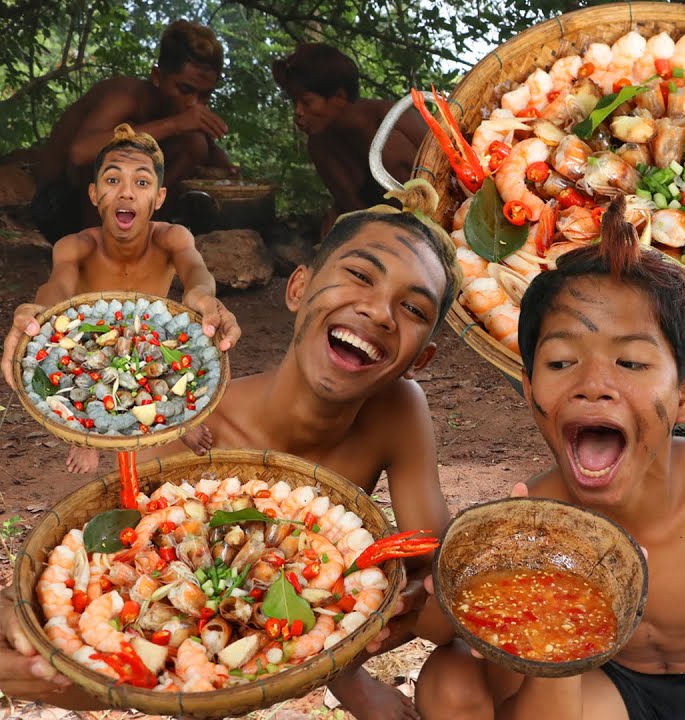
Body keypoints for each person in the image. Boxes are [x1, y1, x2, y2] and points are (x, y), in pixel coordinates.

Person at [0, 180, 462, 720]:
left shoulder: (399, 409)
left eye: (411, 307)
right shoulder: (190, 434)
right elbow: (126, 613)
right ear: (298, 288)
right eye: (359, 275)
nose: (381, 312)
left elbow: (438, 601)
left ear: (421, 359)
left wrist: (357, 662)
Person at [413, 198, 685, 720]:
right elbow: (467, 658)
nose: (594, 385)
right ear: (530, 390)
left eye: (633, 361)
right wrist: (500, 601)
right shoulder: (532, 520)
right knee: (449, 679)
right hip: (612, 691)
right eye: (561, 361)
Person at [2, 124, 240, 473]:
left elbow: (196, 274)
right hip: (91, 348)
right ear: (94, 194)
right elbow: (56, 291)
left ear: (159, 198)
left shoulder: (172, 238)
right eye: (113, 181)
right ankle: (84, 434)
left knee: (187, 356)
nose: (126, 193)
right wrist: (37, 311)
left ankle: (179, 420)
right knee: (68, 374)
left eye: (141, 183)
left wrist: (204, 297)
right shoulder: (76, 245)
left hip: (149, 343)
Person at [31, 20, 234, 242]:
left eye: (205, 95)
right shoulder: (124, 97)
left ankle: (141, 240)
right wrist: (174, 125)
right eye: (184, 89)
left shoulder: (183, 110)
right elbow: (80, 153)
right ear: (157, 77)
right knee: (116, 153)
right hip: (58, 206)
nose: (194, 103)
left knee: (195, 145)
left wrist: (228, 173)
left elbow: (208, 153)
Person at [271, 43, 429, 236]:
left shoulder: (396, 118)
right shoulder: (320, 145)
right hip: (387, 230)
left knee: (388, 148)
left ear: (339, 97)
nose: (298, 112)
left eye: (307, 102)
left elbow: (447, 162)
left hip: (433, 212)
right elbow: (354, 207)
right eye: (294, 102)